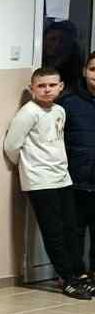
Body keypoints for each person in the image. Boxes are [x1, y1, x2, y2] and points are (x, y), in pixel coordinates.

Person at [5, 66, 93, 300]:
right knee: (53, 232)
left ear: (61, 87)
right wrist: (30, 167)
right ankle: (68, 279)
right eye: (41, 85)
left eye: (52, 85)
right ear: (32, 88)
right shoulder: (28, 113)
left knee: (70, 229)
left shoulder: (59, 111)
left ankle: (78, 274)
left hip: (62, 177)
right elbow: (12, 146)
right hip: (40, 182)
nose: (47, 89)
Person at [62, 53, 95, 275]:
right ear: (84, 71)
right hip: (76, 181)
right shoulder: (68, 104)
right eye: (93, 69)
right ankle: (76, 275)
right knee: (74, 232)